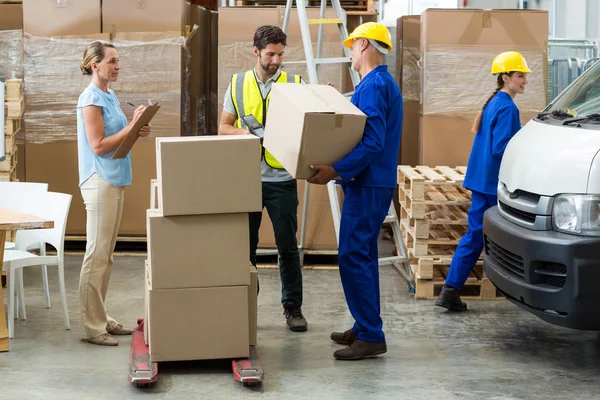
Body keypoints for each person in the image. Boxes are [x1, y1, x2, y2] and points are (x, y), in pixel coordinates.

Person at [308, 22, 402, 360]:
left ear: (363, 44)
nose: (350, 54)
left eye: (352, 47)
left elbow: (372, 141)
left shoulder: (375, 84)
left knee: (352, 254)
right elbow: (357, 128)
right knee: (362, 255)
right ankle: (365, 326)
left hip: (367, 182)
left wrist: (336, 169)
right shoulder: (376, 84)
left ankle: (372, 334)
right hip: (370, 181)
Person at [218, 25, 307, 332]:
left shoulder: (295, 83)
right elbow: (223, 127)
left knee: (287, 247)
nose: (276, 61)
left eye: (280, 54)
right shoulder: (238, 83)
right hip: (248, 179)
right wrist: (244, 132)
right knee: (246, 247)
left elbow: (311, 124)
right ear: (255, 52)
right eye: (270, 54)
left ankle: (293, 307)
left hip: (282, 178)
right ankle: (246, 306)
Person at [435, 51, 530, 312]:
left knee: (476, 236)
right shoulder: (508, 107)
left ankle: (451, 290)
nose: (525, 80)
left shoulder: (494, 103)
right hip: (492, 185)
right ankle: (455, 290)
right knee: (498, 237)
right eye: (520, 75)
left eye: (524, 75)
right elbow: (502, 148)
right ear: (505, 77)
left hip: (481, 182)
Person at [77, 40, 152, 346]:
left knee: (106, 256)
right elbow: (98, 145)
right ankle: (93, 327)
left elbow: (118, 140)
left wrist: (138, 129)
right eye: (112, 61)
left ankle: (101, 317)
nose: (118, 66)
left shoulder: (110, 95)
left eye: (118, 60)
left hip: (115, 178)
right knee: (96, 254)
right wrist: (131, 124)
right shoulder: (90, 98)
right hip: (99, 181)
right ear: (95, 65)